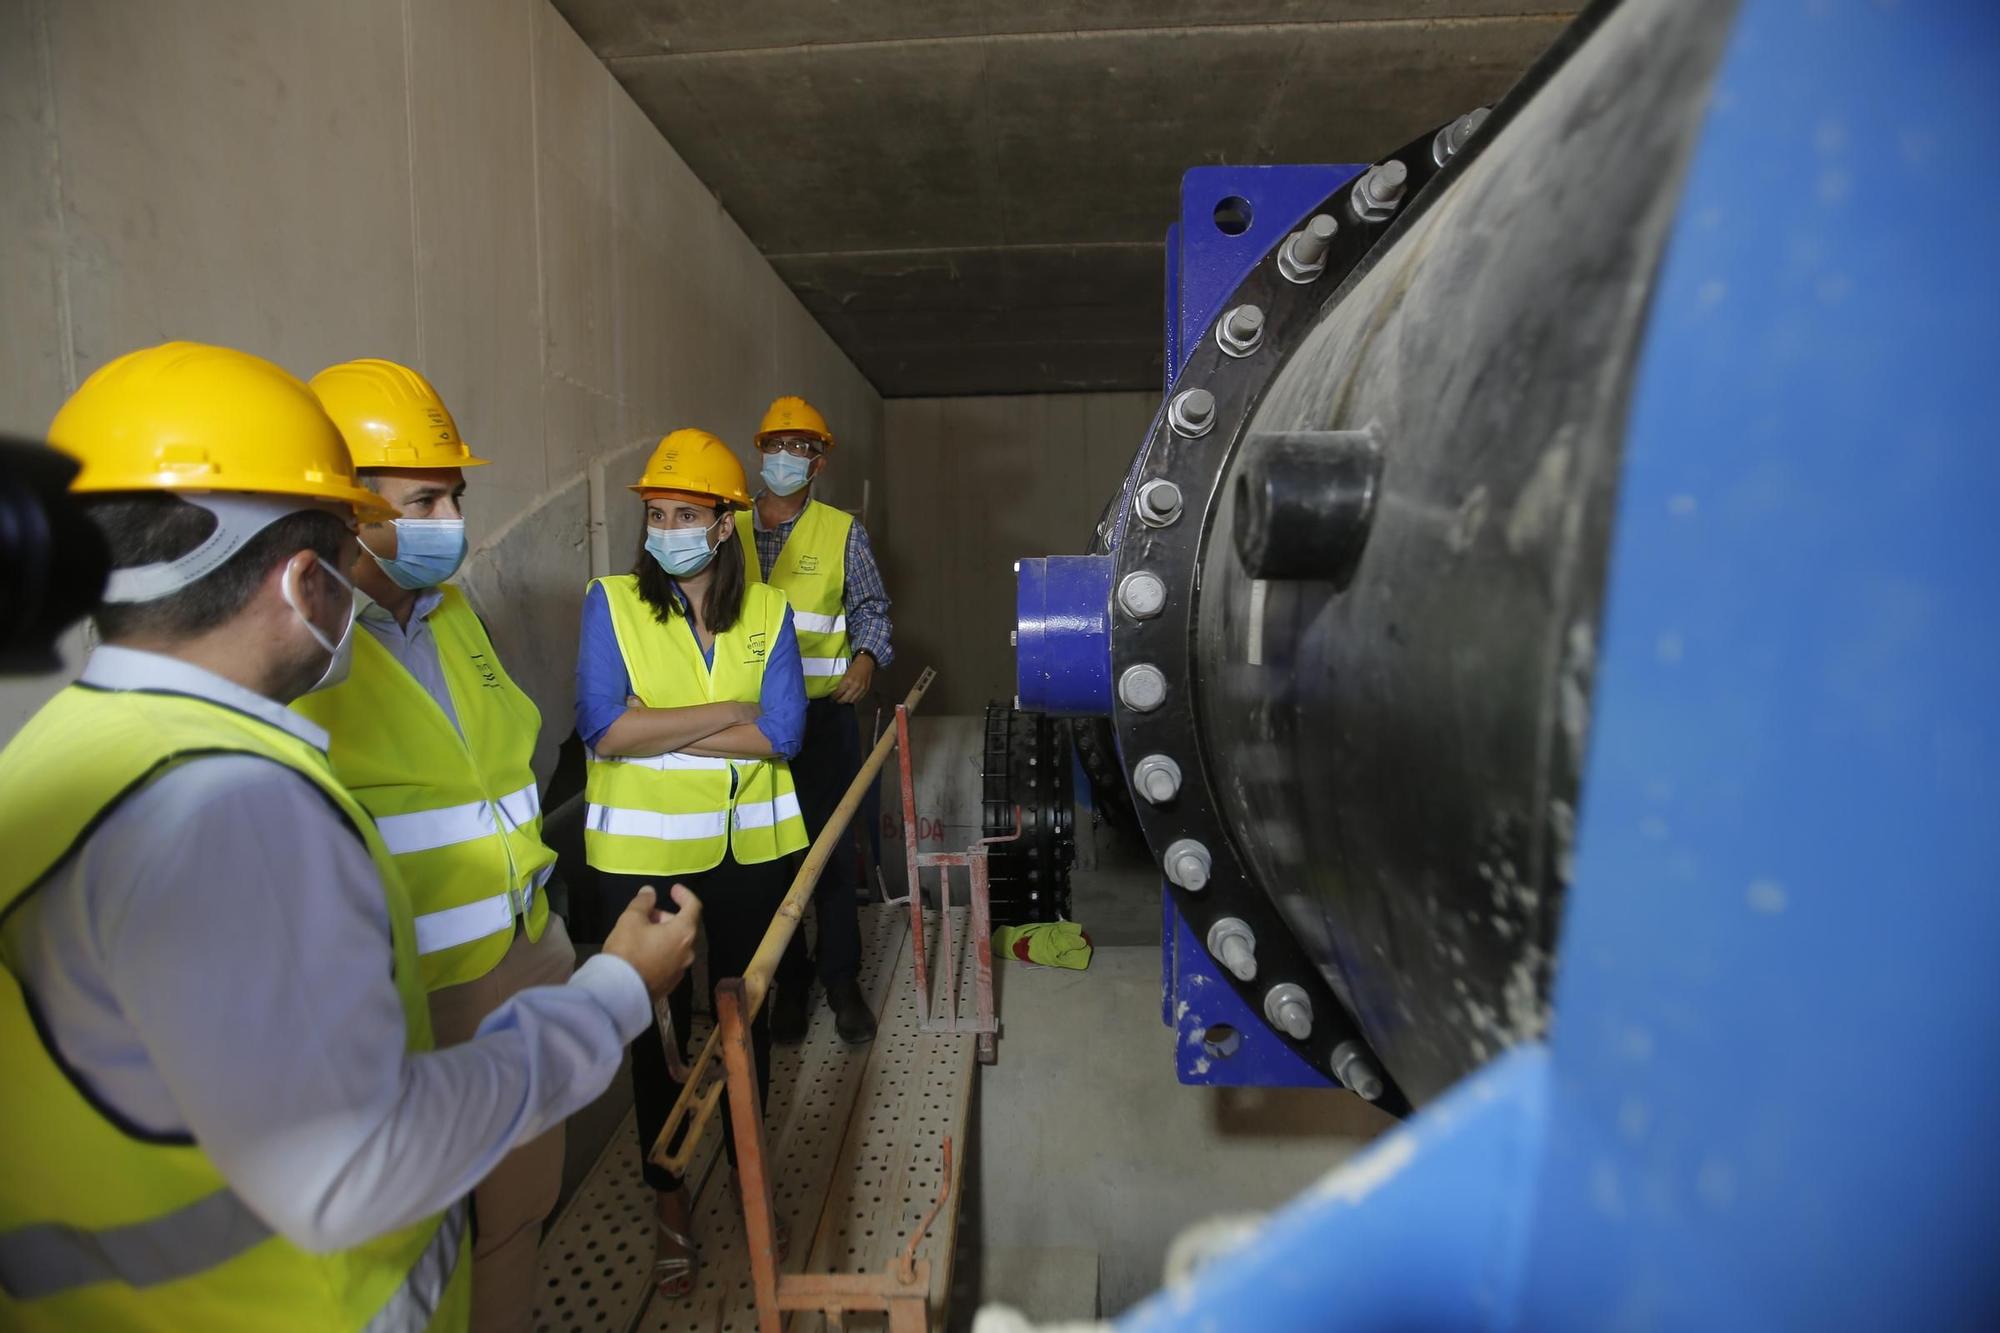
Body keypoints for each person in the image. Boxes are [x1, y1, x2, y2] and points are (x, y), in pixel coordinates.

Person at [0, 342, 701, 1332]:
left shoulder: (58, 753)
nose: (436, 530)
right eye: (367, 528)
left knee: (509, 1217)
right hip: (308, 1269)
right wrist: (617, 990)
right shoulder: (227, 804)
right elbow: (355, 1166)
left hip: (493, 959)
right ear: (302, 578)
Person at [292, 358, 568, 1333]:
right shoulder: (306, 646)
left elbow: (492, 773)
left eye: (454, 493)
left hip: (516, 951)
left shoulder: (453, 615)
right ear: (350, 508)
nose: (447, 518)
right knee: (423, 1236)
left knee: (517, 1210)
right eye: (421, 497)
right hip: (411, 991)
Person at [573, 429, 808, 1298]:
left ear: (722, 527)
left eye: (683, 514)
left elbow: (783, 733)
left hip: (751, 851)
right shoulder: (613, 602)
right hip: (642, 857)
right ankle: (669, 1200)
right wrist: (726, 710)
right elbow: (603, 724)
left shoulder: (771, 611)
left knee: (746, 1022)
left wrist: (663, 719)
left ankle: (751, 1182)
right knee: (655, 1039)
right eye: (655, 513)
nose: (665, 527)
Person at [741, 396, 894, 1046]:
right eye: (777, 443)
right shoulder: (726, 530)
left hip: (825, 719)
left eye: (801, 446)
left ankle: (840, 979)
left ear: (819, 460)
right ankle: (790, 983)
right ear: (759, 450)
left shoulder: (841, 531)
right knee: (766, 857)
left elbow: (873, 609)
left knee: (830, 852)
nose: (786, 456)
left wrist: (866, 656)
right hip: (745, 728)